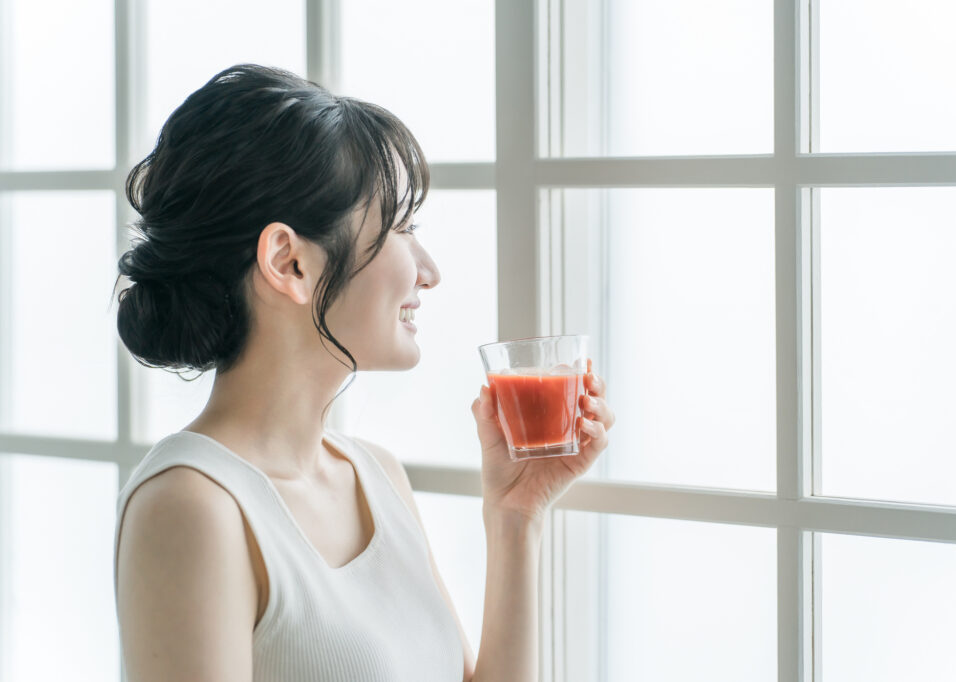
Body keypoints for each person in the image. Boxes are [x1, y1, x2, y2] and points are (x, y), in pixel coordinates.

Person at [112, 64, 615, 682]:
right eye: (401, 228)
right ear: (289, 263)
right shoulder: (191, 504)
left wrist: (516, 517)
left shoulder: (377, 475)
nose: (429, 271)